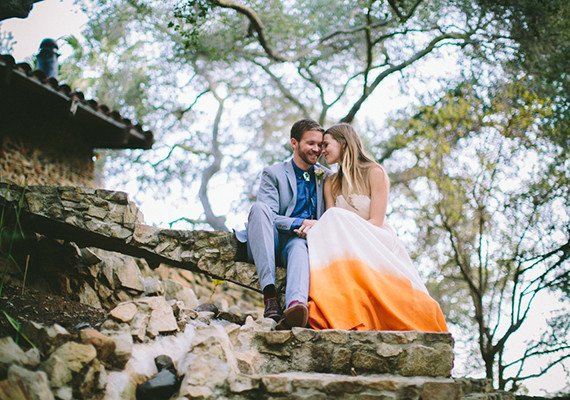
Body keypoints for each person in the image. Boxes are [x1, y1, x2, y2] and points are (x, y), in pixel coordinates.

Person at [306, 123, 447, 332]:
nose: (322, 150)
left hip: (375, 238)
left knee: (335, 216)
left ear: (343, 143)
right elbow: (330, 225)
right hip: (344, 246)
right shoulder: (330, 182)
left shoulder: (375, 172)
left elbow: (376, 221)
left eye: (326, 144)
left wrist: (336, 225)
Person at [235, 118, 330, 330]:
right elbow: (270, 216)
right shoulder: (273, 173)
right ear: (294, 143)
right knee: (259, 209)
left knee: (299, 246)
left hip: (301, 243)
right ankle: (270, 296)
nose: (317, 149)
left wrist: (314, 228)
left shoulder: (327, 177)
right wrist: (303, 222)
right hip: (272, 240)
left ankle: (295, 307)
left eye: (320, 144)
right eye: (311, 143)